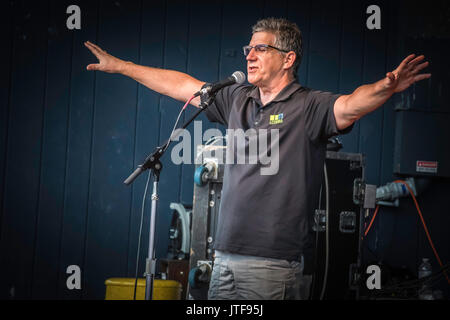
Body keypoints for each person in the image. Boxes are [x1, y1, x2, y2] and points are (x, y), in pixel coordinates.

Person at [85, 17, 430, 300]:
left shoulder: (308, 105)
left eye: (260, 48)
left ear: (288, 58)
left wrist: (385, 88)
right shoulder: (237, 98)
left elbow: (352, 103)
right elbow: (181, 85)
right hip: (222, 258)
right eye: (248, 48)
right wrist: (123, 66)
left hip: (272, 267)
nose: (249, 55)